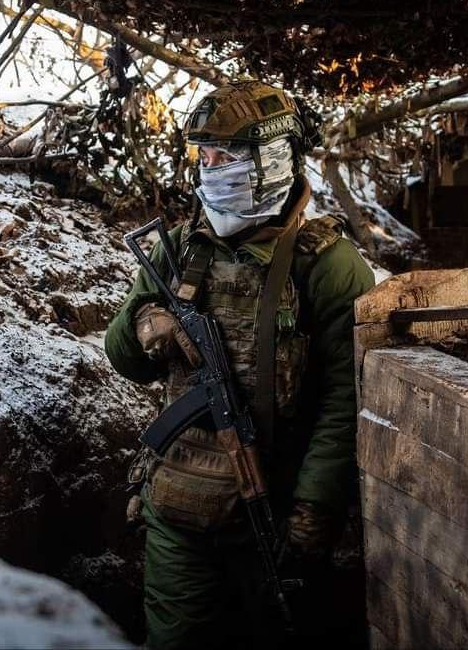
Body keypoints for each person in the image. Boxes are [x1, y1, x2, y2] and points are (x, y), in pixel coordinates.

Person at [104, 81, 375, 649]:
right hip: (177, 507)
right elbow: (123, 358)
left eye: (224, 157)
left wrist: (313, 509)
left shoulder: (329, 266)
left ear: (272, 159)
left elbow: (342, 403)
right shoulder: (177, 247)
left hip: (272, 511)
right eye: (202, 157)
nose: (209, 169)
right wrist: (143, 326)